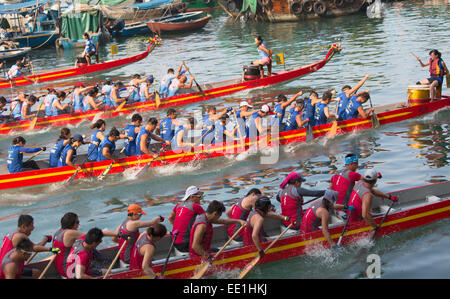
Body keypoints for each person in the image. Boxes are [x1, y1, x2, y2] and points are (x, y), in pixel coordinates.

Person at [52, 213, 116, 278]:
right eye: (77, 222)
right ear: (71, 224)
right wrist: (118, 234)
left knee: (86, 246)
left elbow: (55, 250)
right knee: (91, 246)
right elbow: (94, 236)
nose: (79, 225)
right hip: (68, 270)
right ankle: (108, 264)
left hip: (59, 268)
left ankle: (103, 264)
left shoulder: (57, 233)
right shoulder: (70, 233)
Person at [168, 186, 205, 253]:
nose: (200, 199)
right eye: (199, 196)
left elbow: (170, 217)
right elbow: (208, 220)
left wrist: (179, 229)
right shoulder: (196, 206)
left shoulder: (178, 205)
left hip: (175, 242)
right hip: (186, 244)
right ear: (192, 197)